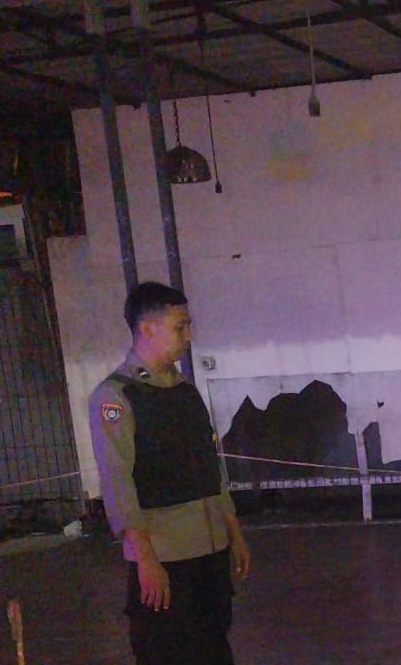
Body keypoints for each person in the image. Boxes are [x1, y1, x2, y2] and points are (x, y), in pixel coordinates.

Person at [88, 281, 251, 665]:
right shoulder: (116, 397)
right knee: (165, 651)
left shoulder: (185, 391)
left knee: (214, 648)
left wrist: (234, 532)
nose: (188, 336)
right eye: (180, 326)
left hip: (210, 551)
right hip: (165, 555)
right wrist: (146, 559)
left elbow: (210, 467)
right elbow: (118, 482)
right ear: (147, 328)